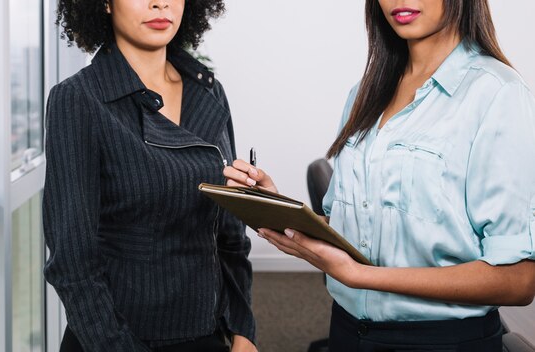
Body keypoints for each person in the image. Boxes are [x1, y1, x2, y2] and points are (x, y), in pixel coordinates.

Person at [224, 0, 535, 351]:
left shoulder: (497, 94)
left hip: (440, 342)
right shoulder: (364, 94)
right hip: (347, 330)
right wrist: (277, 208)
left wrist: (361, 276)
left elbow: (518, 280)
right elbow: (355, 224)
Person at [43, 1, 257, 351]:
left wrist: (243, 329)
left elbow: (230, 234)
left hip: (209, 332)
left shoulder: (209, 91)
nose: (160, 2)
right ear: (105, 4)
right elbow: (72, 262)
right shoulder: (78, 99)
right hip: (116, 339)